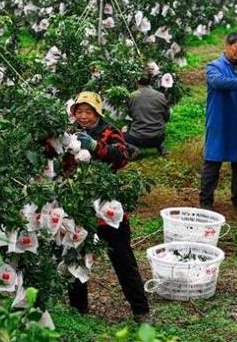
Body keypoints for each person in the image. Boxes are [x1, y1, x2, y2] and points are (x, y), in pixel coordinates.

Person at [64, 91, 150, 323]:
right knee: (76, 256)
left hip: (106, 206)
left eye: (88, 111)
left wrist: (94, 146)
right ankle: (78, 310)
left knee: (123, 258)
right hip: (79, 205)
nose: (83, 116)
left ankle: (141, 311)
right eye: (79, 111)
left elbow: (122, 155)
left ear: (97, 113)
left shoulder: (110, 131)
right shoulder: (69, 134)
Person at [200, 32, 237, 212]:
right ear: (227, 46)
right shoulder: (214, 66)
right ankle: (206, 200)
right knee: (213, 161)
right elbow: (218, 82)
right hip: (221, 121)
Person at [125, 77, 171, 159]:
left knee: (122, 135)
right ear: (150, 82)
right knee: (158, 131)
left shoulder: (132, 96)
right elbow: (166, 117)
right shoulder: (160, 96)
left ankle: (133, 148)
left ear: (136, 82)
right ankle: (161, 147)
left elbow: (130, 114)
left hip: (138, 138)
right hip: (158, 138)